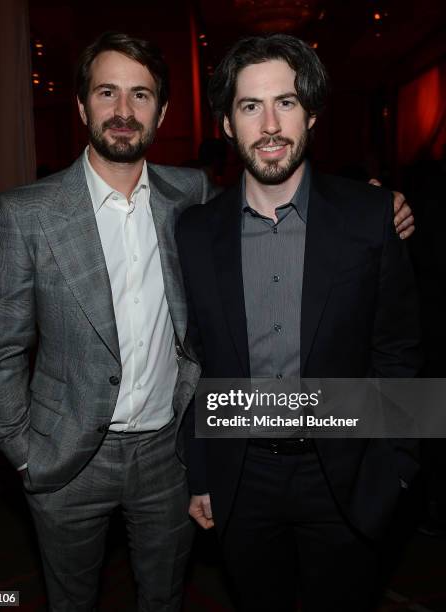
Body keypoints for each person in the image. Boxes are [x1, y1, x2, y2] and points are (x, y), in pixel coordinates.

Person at [175, 34, 422, 612]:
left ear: (311, 113)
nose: (269, 125)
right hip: (242, 475)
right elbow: (199, 361)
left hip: (347, 473)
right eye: (249, 106)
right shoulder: (195, 232)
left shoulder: (371, 216)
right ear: (227, 124)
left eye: (285, 102)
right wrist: (203, 471)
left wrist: (396, 468)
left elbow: (399, 351)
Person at [0, 32, 217, 612]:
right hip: (66, 459)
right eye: (107, 93)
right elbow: (0, 349)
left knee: (164, 598)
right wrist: (24, 450)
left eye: (141, 95)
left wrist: (370, 204)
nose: (124, 111)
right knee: (71, 600)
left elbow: (270, 207)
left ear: (161, 111)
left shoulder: (193, 193)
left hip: (168, 453)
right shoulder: (28, 212)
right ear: (83, 106)